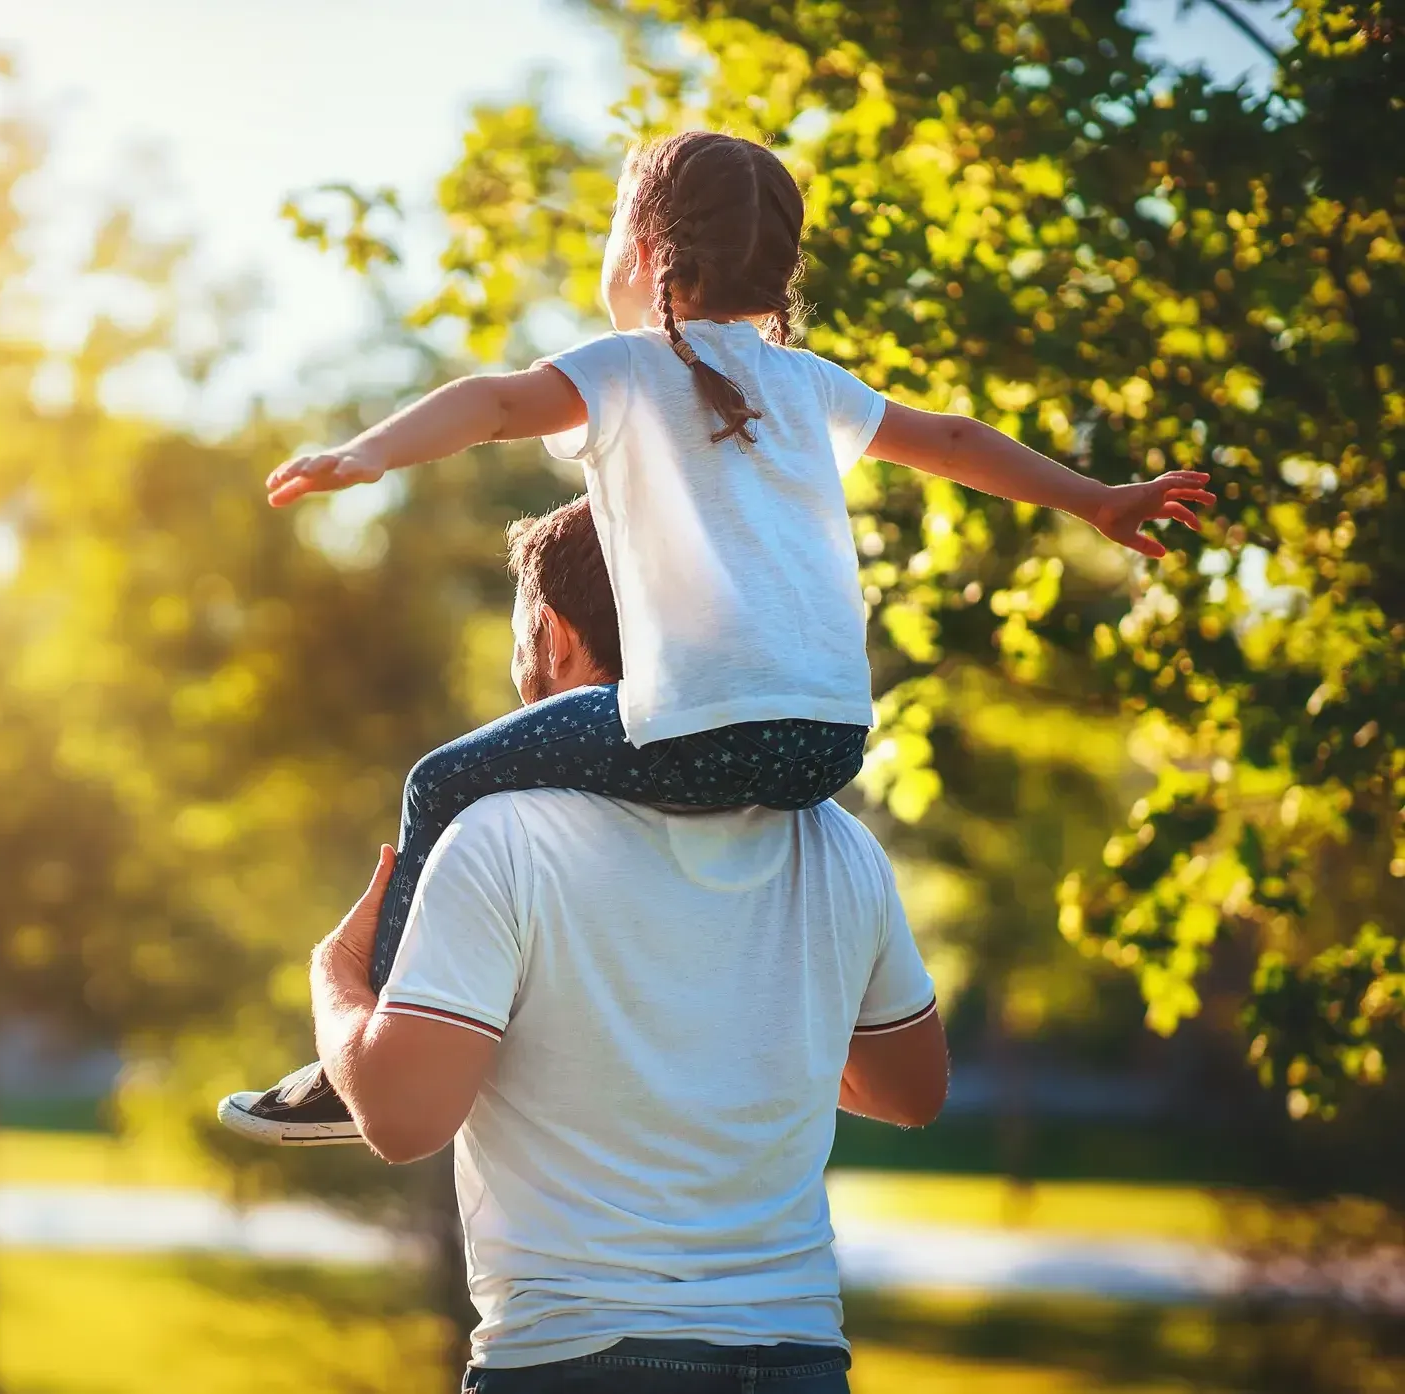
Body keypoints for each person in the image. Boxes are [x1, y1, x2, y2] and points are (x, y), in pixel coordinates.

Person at [219, 129, 1209, 1144]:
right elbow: (954, 439)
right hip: (827, 744)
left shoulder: (627, 370)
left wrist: (366, 453)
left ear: (645, 254)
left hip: (695, 730)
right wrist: (1095, 499)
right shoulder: (810, 382)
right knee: (600, 760)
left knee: (440, 781)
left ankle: (374, 1040)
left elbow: (494, 402)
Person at [311, 495, 948, 1391]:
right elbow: (910, 1091)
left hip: (581, 1357)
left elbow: (402, 1118)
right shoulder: (837, 841)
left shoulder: (500, 836)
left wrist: (336, 983)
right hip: (799, 1359)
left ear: (553, 633)